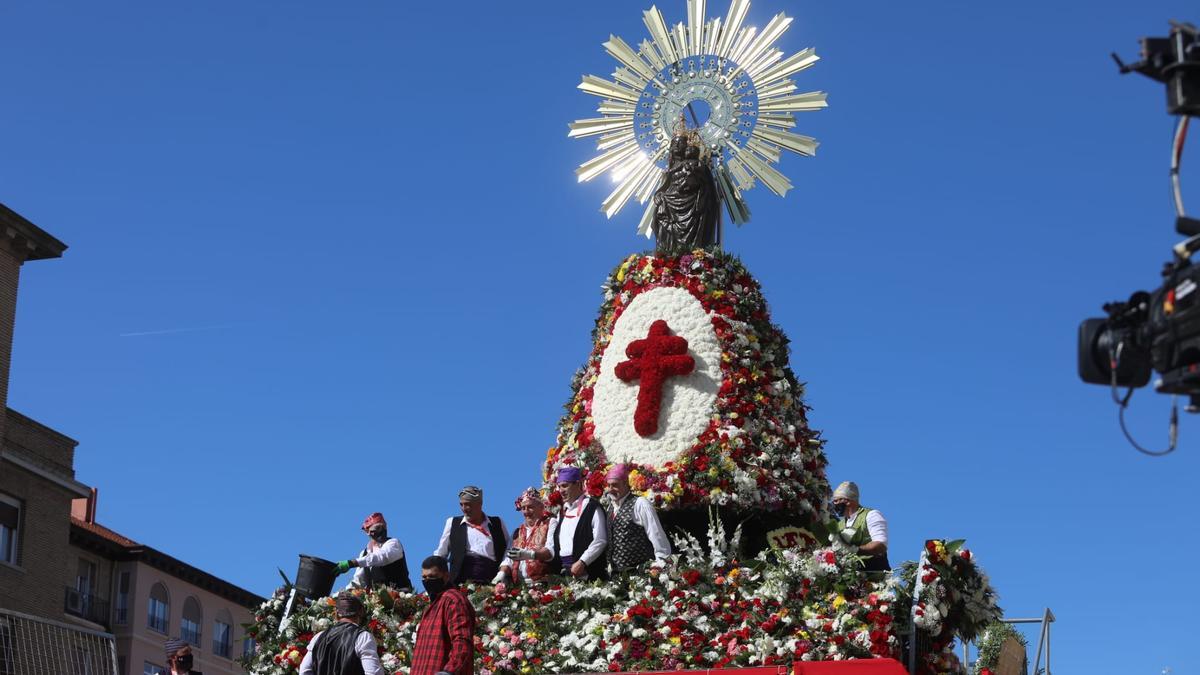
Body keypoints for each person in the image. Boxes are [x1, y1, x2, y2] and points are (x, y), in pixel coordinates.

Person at [651, 116, 720, 256]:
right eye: (673, 145)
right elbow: (664, 187)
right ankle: (667, 252)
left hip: (692, 203)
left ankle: (693, 254)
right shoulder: (671, 168)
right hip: (671, 201)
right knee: (659, 210)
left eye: (679, 144)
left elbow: (707, 188)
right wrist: (659, 195)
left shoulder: (697, 165)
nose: (675, 148)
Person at [433, 486, 512, 585]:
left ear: (480, 504)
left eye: (468, 505)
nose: (464, 509)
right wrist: (433, 574)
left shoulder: (497, 523)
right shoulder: (453, 523)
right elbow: (441, 554)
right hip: (460, 584)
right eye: (461, 505)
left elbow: (509, 550)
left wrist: (502, 572)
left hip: (491, 582)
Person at [412, 555, 476, 675]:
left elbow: (462, 641)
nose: (427, 581)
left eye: (432, 577)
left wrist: (449, 671)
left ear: (446, 576)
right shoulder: (432, 606)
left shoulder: (453, 600)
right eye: (424, 577)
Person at [604, 464, 671, 573]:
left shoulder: (640, 503)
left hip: (639, 573)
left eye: (615, 485)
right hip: (616, 575)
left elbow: (656, 534)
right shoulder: (611, 507)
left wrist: (662, 564)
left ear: (626, 484)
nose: (610, 489)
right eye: (609, 485)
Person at [298, 591, 384, 675]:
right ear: (361, 611)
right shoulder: (363, 636)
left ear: (337, 613)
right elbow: (374, 672)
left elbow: (304, 670)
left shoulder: (319, 636)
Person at [549, 467, 608, 580]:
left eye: (565, 485)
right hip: (566, 574)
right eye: (559, 486)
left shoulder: (592, 507)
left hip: (589, 572)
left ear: (578, 484)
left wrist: (583, 562)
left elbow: (600, 539)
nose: (561, 490)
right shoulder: (562, 513)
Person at [334, 512, 412, 591]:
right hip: (377, 600)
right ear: (368, 532)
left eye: (383, 527)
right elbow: (358, 582)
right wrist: (337, 597)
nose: (382, 530)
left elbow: (381, 557)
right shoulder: (364, 553)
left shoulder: (394, 543)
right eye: (377, 527)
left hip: (400, 597)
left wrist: (352, 563)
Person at [492, 487, 553, 584]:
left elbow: (550, 552)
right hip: (519, 587)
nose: (526, 511)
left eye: (530, 507)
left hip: (543, 584)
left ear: (541, 507)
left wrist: (529, 554)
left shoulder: (550, 524)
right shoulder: (517, 532)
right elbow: (508, 558)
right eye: (523, 508)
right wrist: (501, 573)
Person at [830, 481, 890, 573]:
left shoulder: (871, 515)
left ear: (848, 501)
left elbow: (880, 545)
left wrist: (855, 550)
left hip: (872, 574)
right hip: (848, 575)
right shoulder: (839, 525)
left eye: (837, 500)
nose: (834, 504)